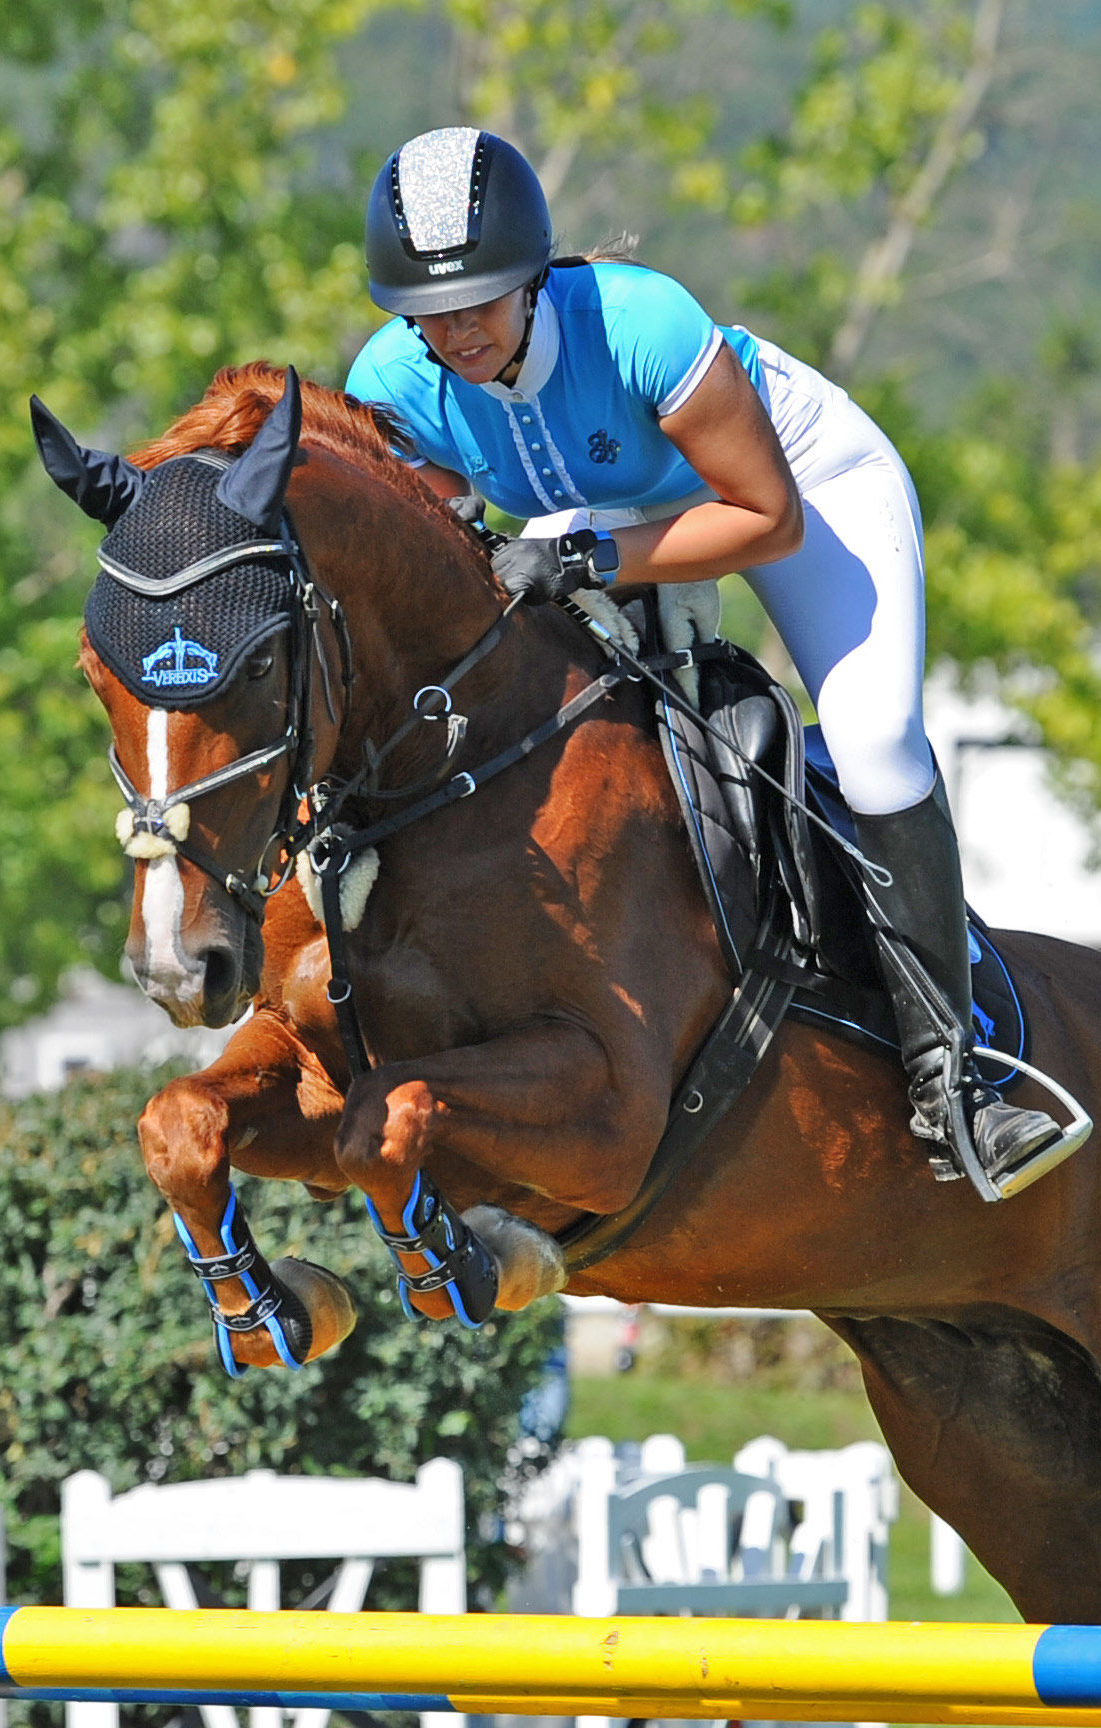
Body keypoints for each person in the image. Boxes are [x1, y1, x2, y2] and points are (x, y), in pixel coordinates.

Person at [343, 125, 1064, 1194]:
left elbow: (763, 519)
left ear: (534, 279)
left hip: (798, 487)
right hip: (607, 514)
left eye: (479, 304)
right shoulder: (393, 382)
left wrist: (585, 555)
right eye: (427, 314)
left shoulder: (638, 320)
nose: (452, 336)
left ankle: (954, 1075)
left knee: (868, 746)